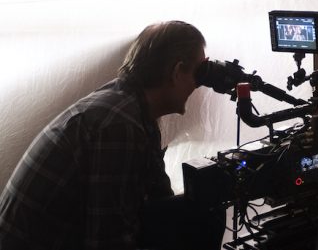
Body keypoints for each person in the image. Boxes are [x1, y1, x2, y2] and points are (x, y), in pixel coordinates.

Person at [0, 21, 224, 250]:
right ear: (176, 72)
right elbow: (108, 241)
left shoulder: (132, 107)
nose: (199, 85)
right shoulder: (118, 126)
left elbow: (160, 200)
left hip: (65, 234)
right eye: (199, 73)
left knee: (204, 208)